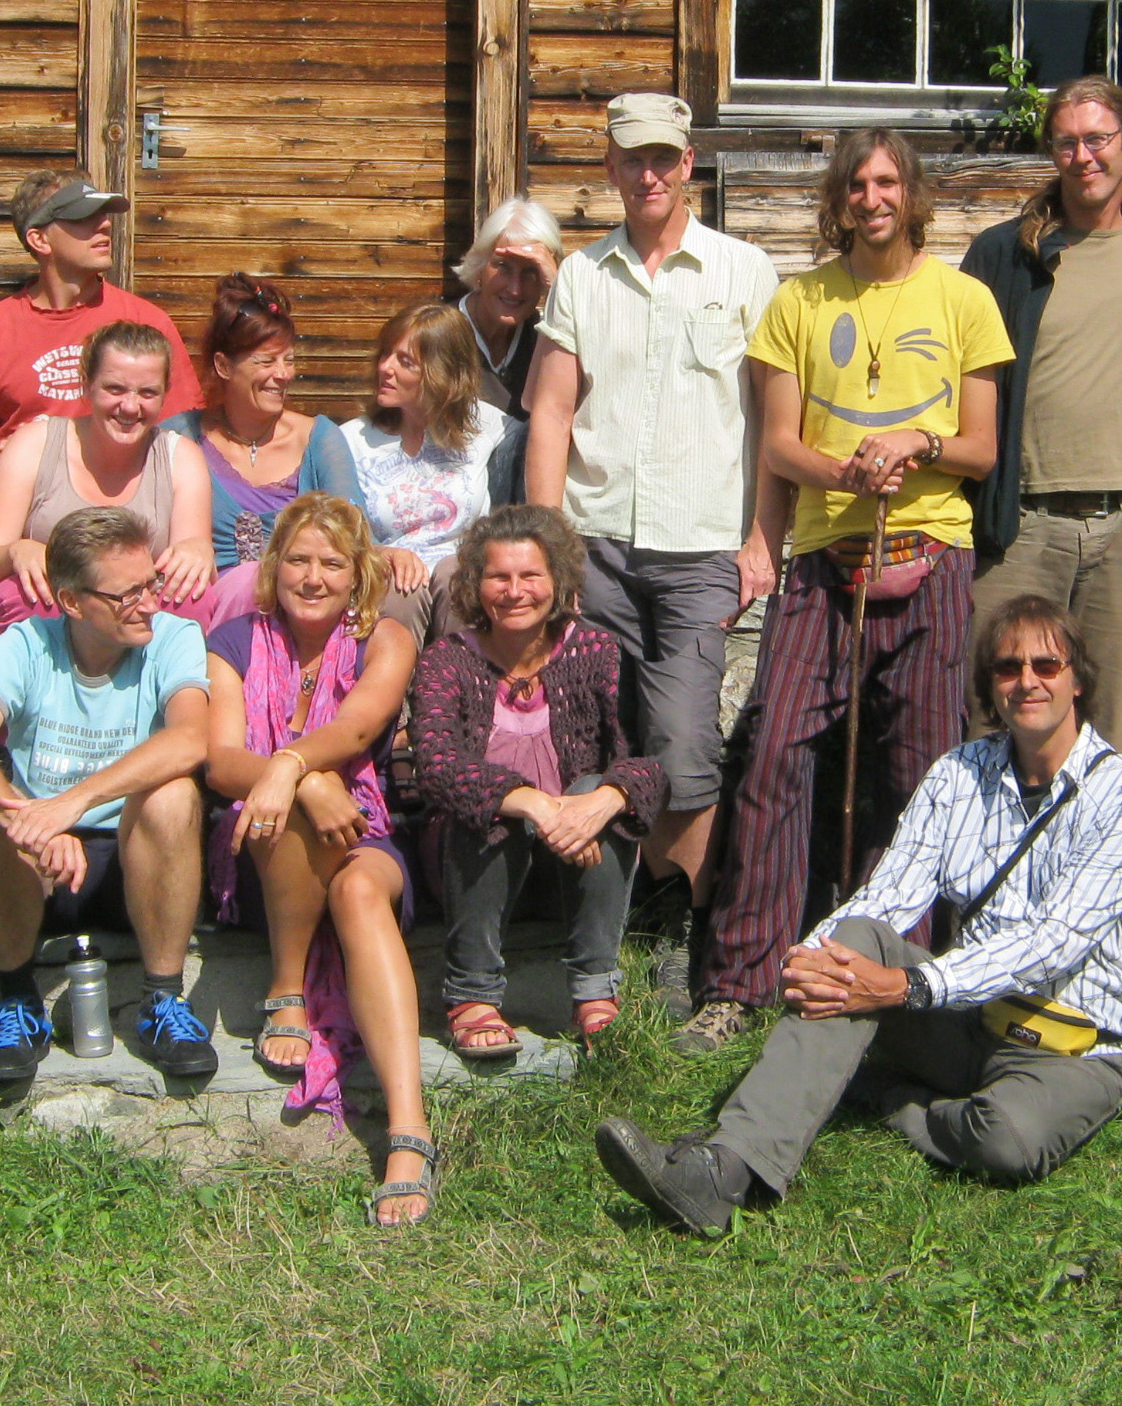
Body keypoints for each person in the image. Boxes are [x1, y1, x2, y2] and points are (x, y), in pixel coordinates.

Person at [595, 596, 1122, 1235]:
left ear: (1076, 678)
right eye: (1007, 667)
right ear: (990, 684)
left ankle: (887, 1097)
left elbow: (1054, 941)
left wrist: (910, 985)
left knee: (1004, 1141)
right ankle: (720, 1168)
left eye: (1045, 665)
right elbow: (889, 893)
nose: (1026, 681)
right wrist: (814, 953)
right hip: (970, 1018)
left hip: (1072, 1044)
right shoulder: (958, 773)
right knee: (856, 942)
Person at [682, 129, 1013, 1054]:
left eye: (888, 182)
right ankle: (740, 981)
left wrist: (918, 443)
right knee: (777, 757)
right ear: (838, 199)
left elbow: (983, 448)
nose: (873, 198)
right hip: (827, 559)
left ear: (913, 195)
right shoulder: (797, 301)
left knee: (920, 772)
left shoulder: (966, 300)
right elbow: (779, 446)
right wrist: (845, 470)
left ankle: (895, 976)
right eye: (857, 184)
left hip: (935, 554)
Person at [526, 91, 783, 1015]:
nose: (648, 174)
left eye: (664, 159)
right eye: (632, 158)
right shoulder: (582, 278)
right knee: (600, 735)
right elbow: (552, 412)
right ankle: (609, 924)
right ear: (610, 166)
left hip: (701, 543)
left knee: (682, 737)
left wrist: (765, 538)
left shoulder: (747, 273)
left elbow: (772, 421)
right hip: (594, 543)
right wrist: (548, 542)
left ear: (688, 165)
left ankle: (692, 919)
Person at [203, 495, 434, 1227]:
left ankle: (409, 1130)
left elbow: (362, 723)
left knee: (364, 891)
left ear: (358, 572)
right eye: (298, 559)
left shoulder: (387, 636)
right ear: (274, 566)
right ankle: (287, 984)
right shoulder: (234, 639)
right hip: (261, 835)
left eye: (332, 562)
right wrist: (300, 779)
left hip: (361, 818)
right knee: (289, 809)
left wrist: (295, 760)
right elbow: (221, 759)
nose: (313, 576)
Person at [962, 76, 1122, 754]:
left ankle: (1096, 863)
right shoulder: (1005, 255)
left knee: (1109, 731)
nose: (1084, 156)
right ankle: (994, 861)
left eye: (1097, 139)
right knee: (996, 723)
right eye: (1067, 143)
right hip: (1022, 527)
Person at [0, 508, 216, 1087]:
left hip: (131, 859)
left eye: (151, 584)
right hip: (35, 865)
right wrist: (30, 823)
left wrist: (74, 803)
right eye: (128, 594)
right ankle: (15, 1002)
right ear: (69, 602)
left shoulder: (173, 638)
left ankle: (163, 1000)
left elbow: (190, 738)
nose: (150, 603)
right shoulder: (26, 644)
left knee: (173, 794)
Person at [0, 170, 202, 700]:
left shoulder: (143, 322)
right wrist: (13, 511)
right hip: (24, 512)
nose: (103, 227)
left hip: (130, 510)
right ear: (39, 239)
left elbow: (182, 433)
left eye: (103, 215)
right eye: (82, 218)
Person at [411, 505, 667, 1060]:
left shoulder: (599, 652)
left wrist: (605, 798)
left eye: (530, 576)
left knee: (599, 794)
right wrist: (527, 801)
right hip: (474, 865)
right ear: (475, 585)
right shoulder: (447, 661)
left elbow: (647, 762)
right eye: (498, 576)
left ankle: (595, 991)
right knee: (488, 805)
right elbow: (436, 762)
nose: (514, 591)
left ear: (558, 582)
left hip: (573, 863)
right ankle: (472, 993)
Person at [0, 320, 212, 674]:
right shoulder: (34, 443)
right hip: (48, 620)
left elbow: (188, 572)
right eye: (115, 389)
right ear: (86, 385)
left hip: (132, 619)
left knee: (197, 600)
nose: (130, 406)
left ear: (166, 393)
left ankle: (175, 714)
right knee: (21, 596)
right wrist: (16, 550)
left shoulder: (180, 457)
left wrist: (197, 549)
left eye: (148, 393)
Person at [342, 302, 514, 645]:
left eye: (404, 362)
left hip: (459, 571)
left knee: (458, 576)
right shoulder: (352, 440)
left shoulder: (495, 429)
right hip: (390, 573)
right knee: (402, 589)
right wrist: (382, 554)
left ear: (443, 373)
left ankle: (461, 690)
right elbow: (341, 532)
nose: (384, 368)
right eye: (385, 354)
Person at [194, 273, 362, 584]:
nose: (283, 374)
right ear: (224, 366)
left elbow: (354, 533)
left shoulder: (319, 440)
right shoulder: (183, 438)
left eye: (289, 360)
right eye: (267, 361)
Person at [454, 198, 563, 418]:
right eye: (503, 266)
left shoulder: (548, 337)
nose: (515, 289)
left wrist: (559, 291)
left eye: (531, 271)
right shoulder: (438, 335)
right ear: (480, 266)